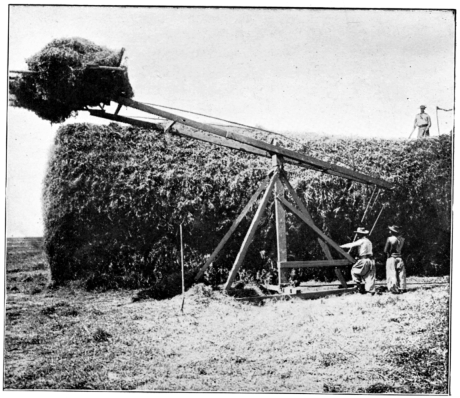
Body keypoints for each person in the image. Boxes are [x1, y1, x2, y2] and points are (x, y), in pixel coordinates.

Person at [340, 227, 376, 295]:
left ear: (360, 234)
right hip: (371, 260)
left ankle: (358, 286)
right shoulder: (369, 241)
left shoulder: (361, 241)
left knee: (354, 271)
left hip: (364, 259)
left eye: (358, 234)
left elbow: (351, 245)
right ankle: (370, 291)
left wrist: (340, 246)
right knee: (369, 275)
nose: (357, 235)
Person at [384, 225, 406, 294]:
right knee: (401, 273)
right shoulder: (402, 239)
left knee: (392, 273)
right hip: (400, 257)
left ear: (392, 232)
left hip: (392, 257)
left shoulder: (390, 239)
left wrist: (388, 254)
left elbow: (385, 250)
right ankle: (402, 288)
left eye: (390, 230)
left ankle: (393, 288)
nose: (389, 231)